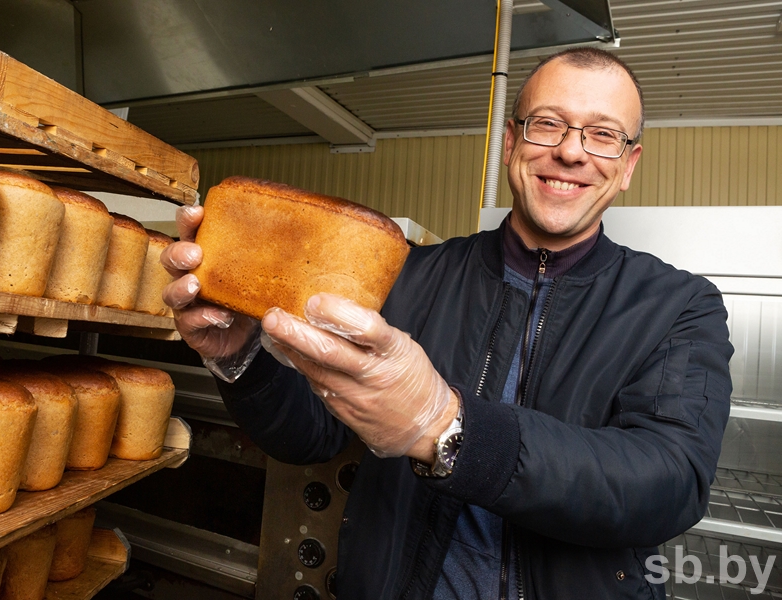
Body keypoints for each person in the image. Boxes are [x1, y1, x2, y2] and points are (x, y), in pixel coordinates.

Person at [161, 48, 733, 600]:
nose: (571, 152)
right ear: (510, 142)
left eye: (603, 134)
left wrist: (445, 425)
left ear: (628, 164)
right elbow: (313, 433)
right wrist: (241, 358)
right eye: (547, 124)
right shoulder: (409, 273)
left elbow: (669, 483)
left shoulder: (680, 305)